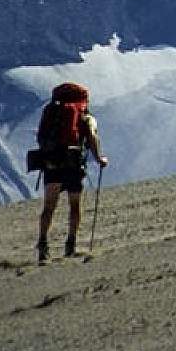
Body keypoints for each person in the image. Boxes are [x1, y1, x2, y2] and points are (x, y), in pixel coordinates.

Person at [34, 81, 109, 263]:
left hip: (52, 163)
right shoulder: (84, 114)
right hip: (73, 165)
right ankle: (70, 244)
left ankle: (43, 244)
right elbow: (91, 136)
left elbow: (41, 137)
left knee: (49, 207)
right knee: (74, 205)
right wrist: (100, 158)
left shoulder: (51, 111)